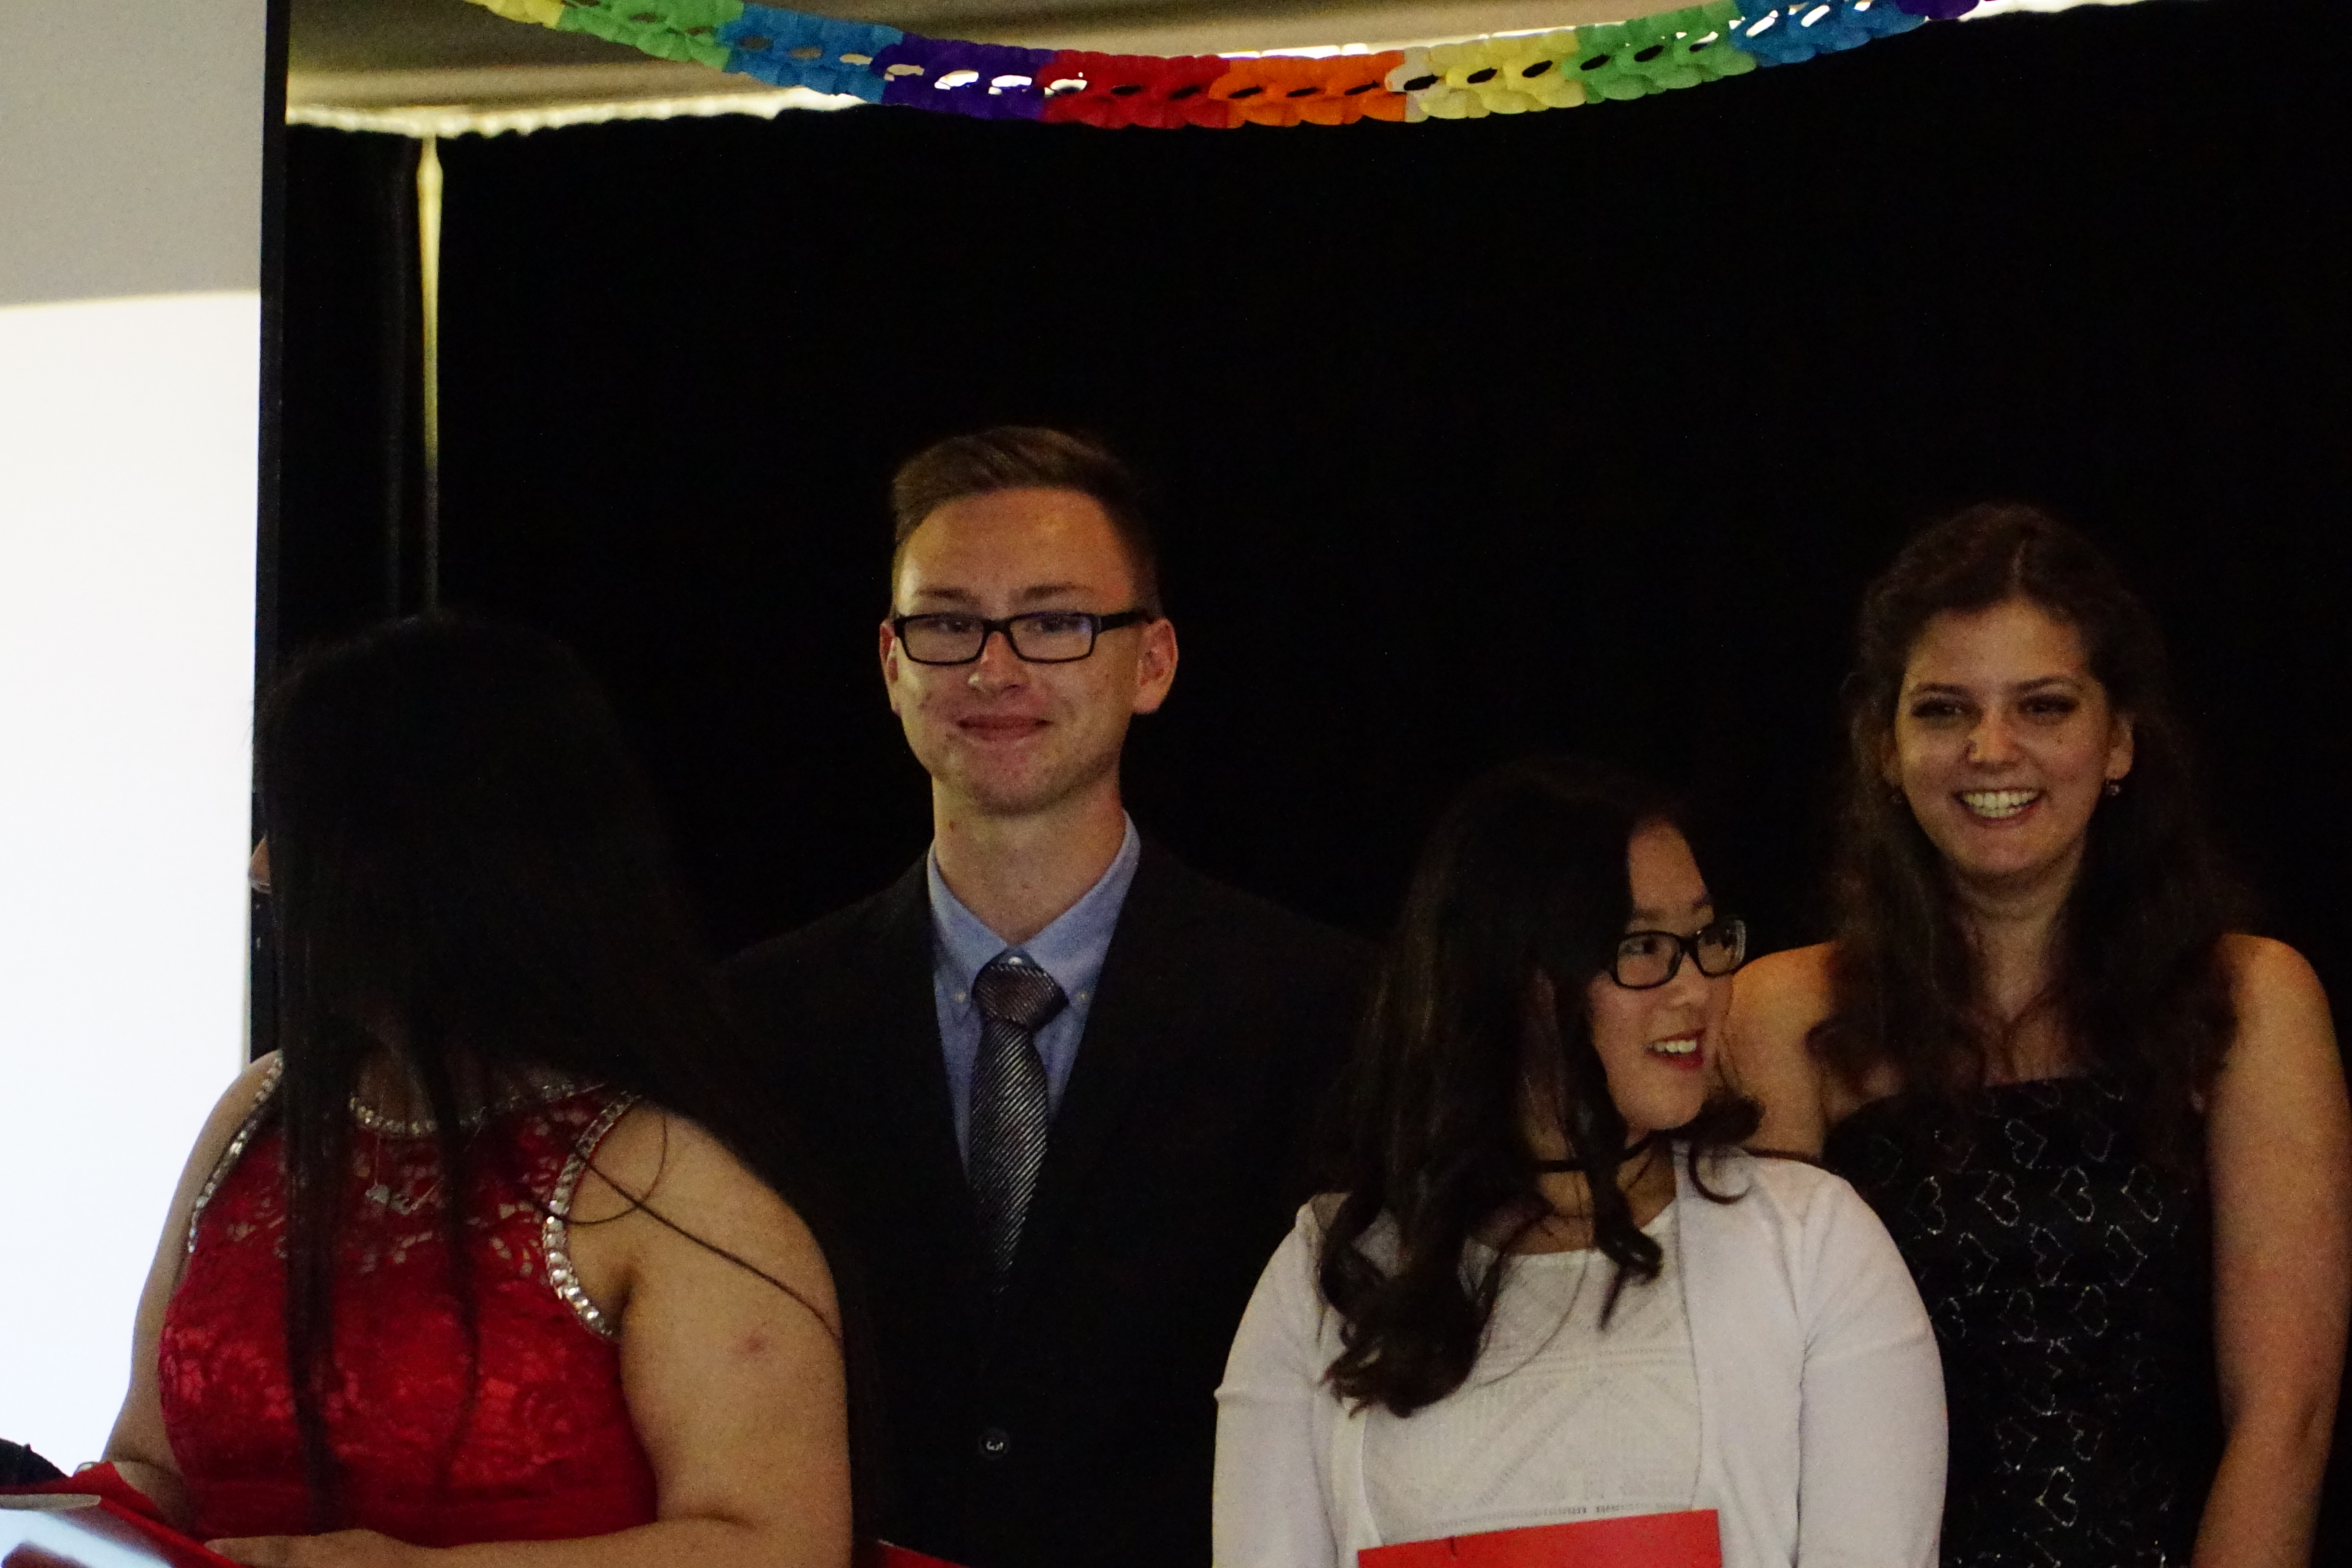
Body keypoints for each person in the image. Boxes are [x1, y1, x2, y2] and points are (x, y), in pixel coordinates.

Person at [728, 427, 1370, 1568]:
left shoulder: (1323, 1007)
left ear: (1153, 661)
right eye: (947, 624)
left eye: (1055, 621)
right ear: (890, 662)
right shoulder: (755, 1022)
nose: (994, 669)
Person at [101, 617, 855, 1567]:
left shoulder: (664, 1178)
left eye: (299, 833)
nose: (261, 869)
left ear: (430, 858)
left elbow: (780, 1545)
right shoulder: (263, 1110)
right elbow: (149, 1465)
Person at [1724, 504, 2352, 1568]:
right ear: (1884, 748)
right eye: (1944, 710)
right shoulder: (1783, 1013)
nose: (1991, 750)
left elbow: (2283, 1418)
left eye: (2043, 706)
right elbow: (1760, 1418)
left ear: (2120, 742)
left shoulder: (2252, 999)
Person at [1214, 759, 1946, 1568]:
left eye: (1706, 939)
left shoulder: (1812, 1244)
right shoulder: (1334, 1270)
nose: (1696, 988)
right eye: (1643, 948)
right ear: (1514, 977)